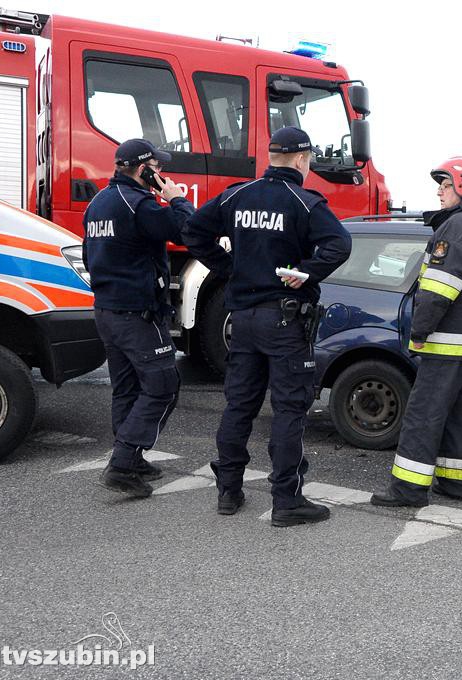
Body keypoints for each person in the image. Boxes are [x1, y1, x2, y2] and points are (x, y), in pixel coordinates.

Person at [183, 127, 351, 527]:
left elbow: (193, 232)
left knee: (239, 405)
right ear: (302, 159)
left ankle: (228, 491)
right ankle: (287, 501)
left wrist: (229, 269)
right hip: (284, 320)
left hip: (241, 320)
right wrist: (305, 272)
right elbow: (340, 244)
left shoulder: (237, 195)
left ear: (271, 157)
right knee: (289, 408)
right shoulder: (303, 201)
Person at [371, 157, 462, 508]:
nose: (439, 191)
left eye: (446, 185)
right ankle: (458, 484)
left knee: (424, 414)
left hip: (444, 346)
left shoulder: (454, 227)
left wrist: (419, 332)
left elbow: (436, 292)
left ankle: (407, 490)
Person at [83, 138, 194, 498]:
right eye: (157, 168)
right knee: (163, 386)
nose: (161, 173)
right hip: (138, 315)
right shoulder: (139, 204)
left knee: (127, 388)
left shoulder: (98, 203)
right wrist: (176, 197)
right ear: (144, 170)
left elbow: (88, 256)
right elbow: (186, 228)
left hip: (107, 311)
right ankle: (122, 462)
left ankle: (131, 458)